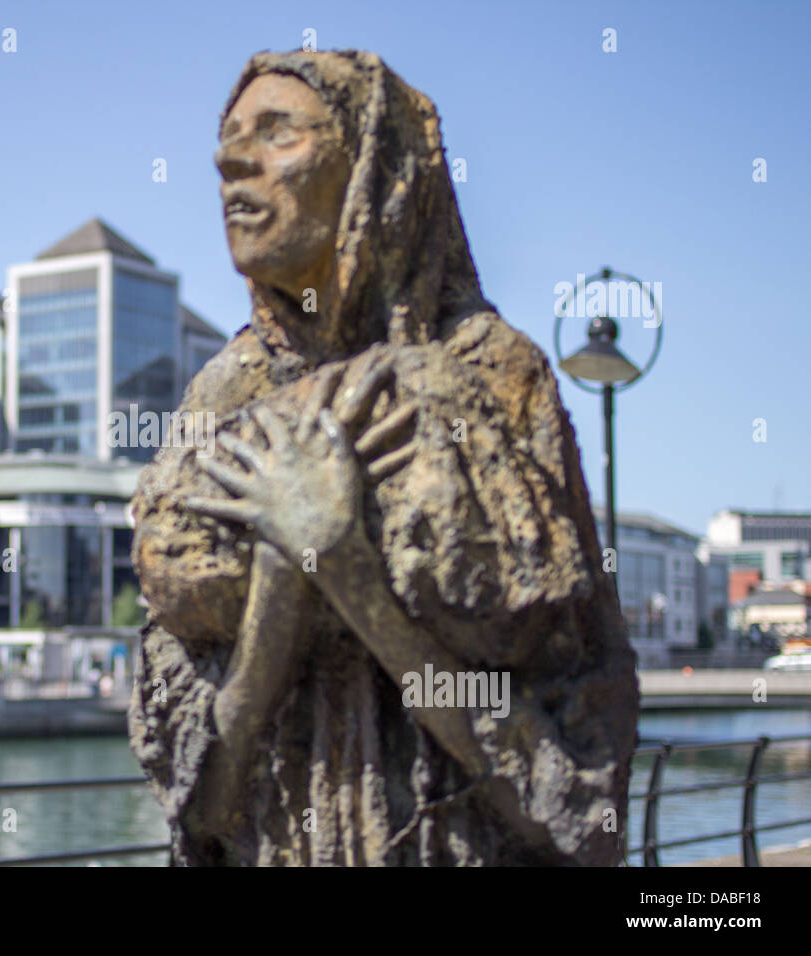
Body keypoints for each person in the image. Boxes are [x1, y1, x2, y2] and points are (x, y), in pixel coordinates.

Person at [128, 52, 639, 866]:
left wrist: (345, 565)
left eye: (279, 133)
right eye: (229, 138)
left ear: (378, 169)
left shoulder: (490, 376)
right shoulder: (219, 401)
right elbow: (208, 808)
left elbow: (564, 791)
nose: (231, 161)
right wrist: (282, 581)